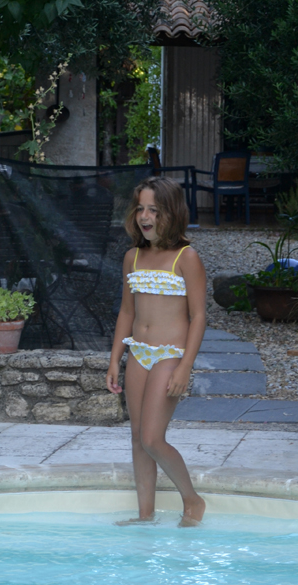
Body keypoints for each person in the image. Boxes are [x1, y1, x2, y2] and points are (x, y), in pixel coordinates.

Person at [106, 177, 207, 526]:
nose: (145, 217)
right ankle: (145, 515)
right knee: (137, 438)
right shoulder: (132, 257)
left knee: (152, 438)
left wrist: (185, 366)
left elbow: (198, 316)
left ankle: (192, 500)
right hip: (139, 353)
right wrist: (115, 359)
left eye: (154, 210)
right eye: (140, 209)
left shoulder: (186, 257)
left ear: (172, 213)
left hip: (169, 355)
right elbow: (126, 312)